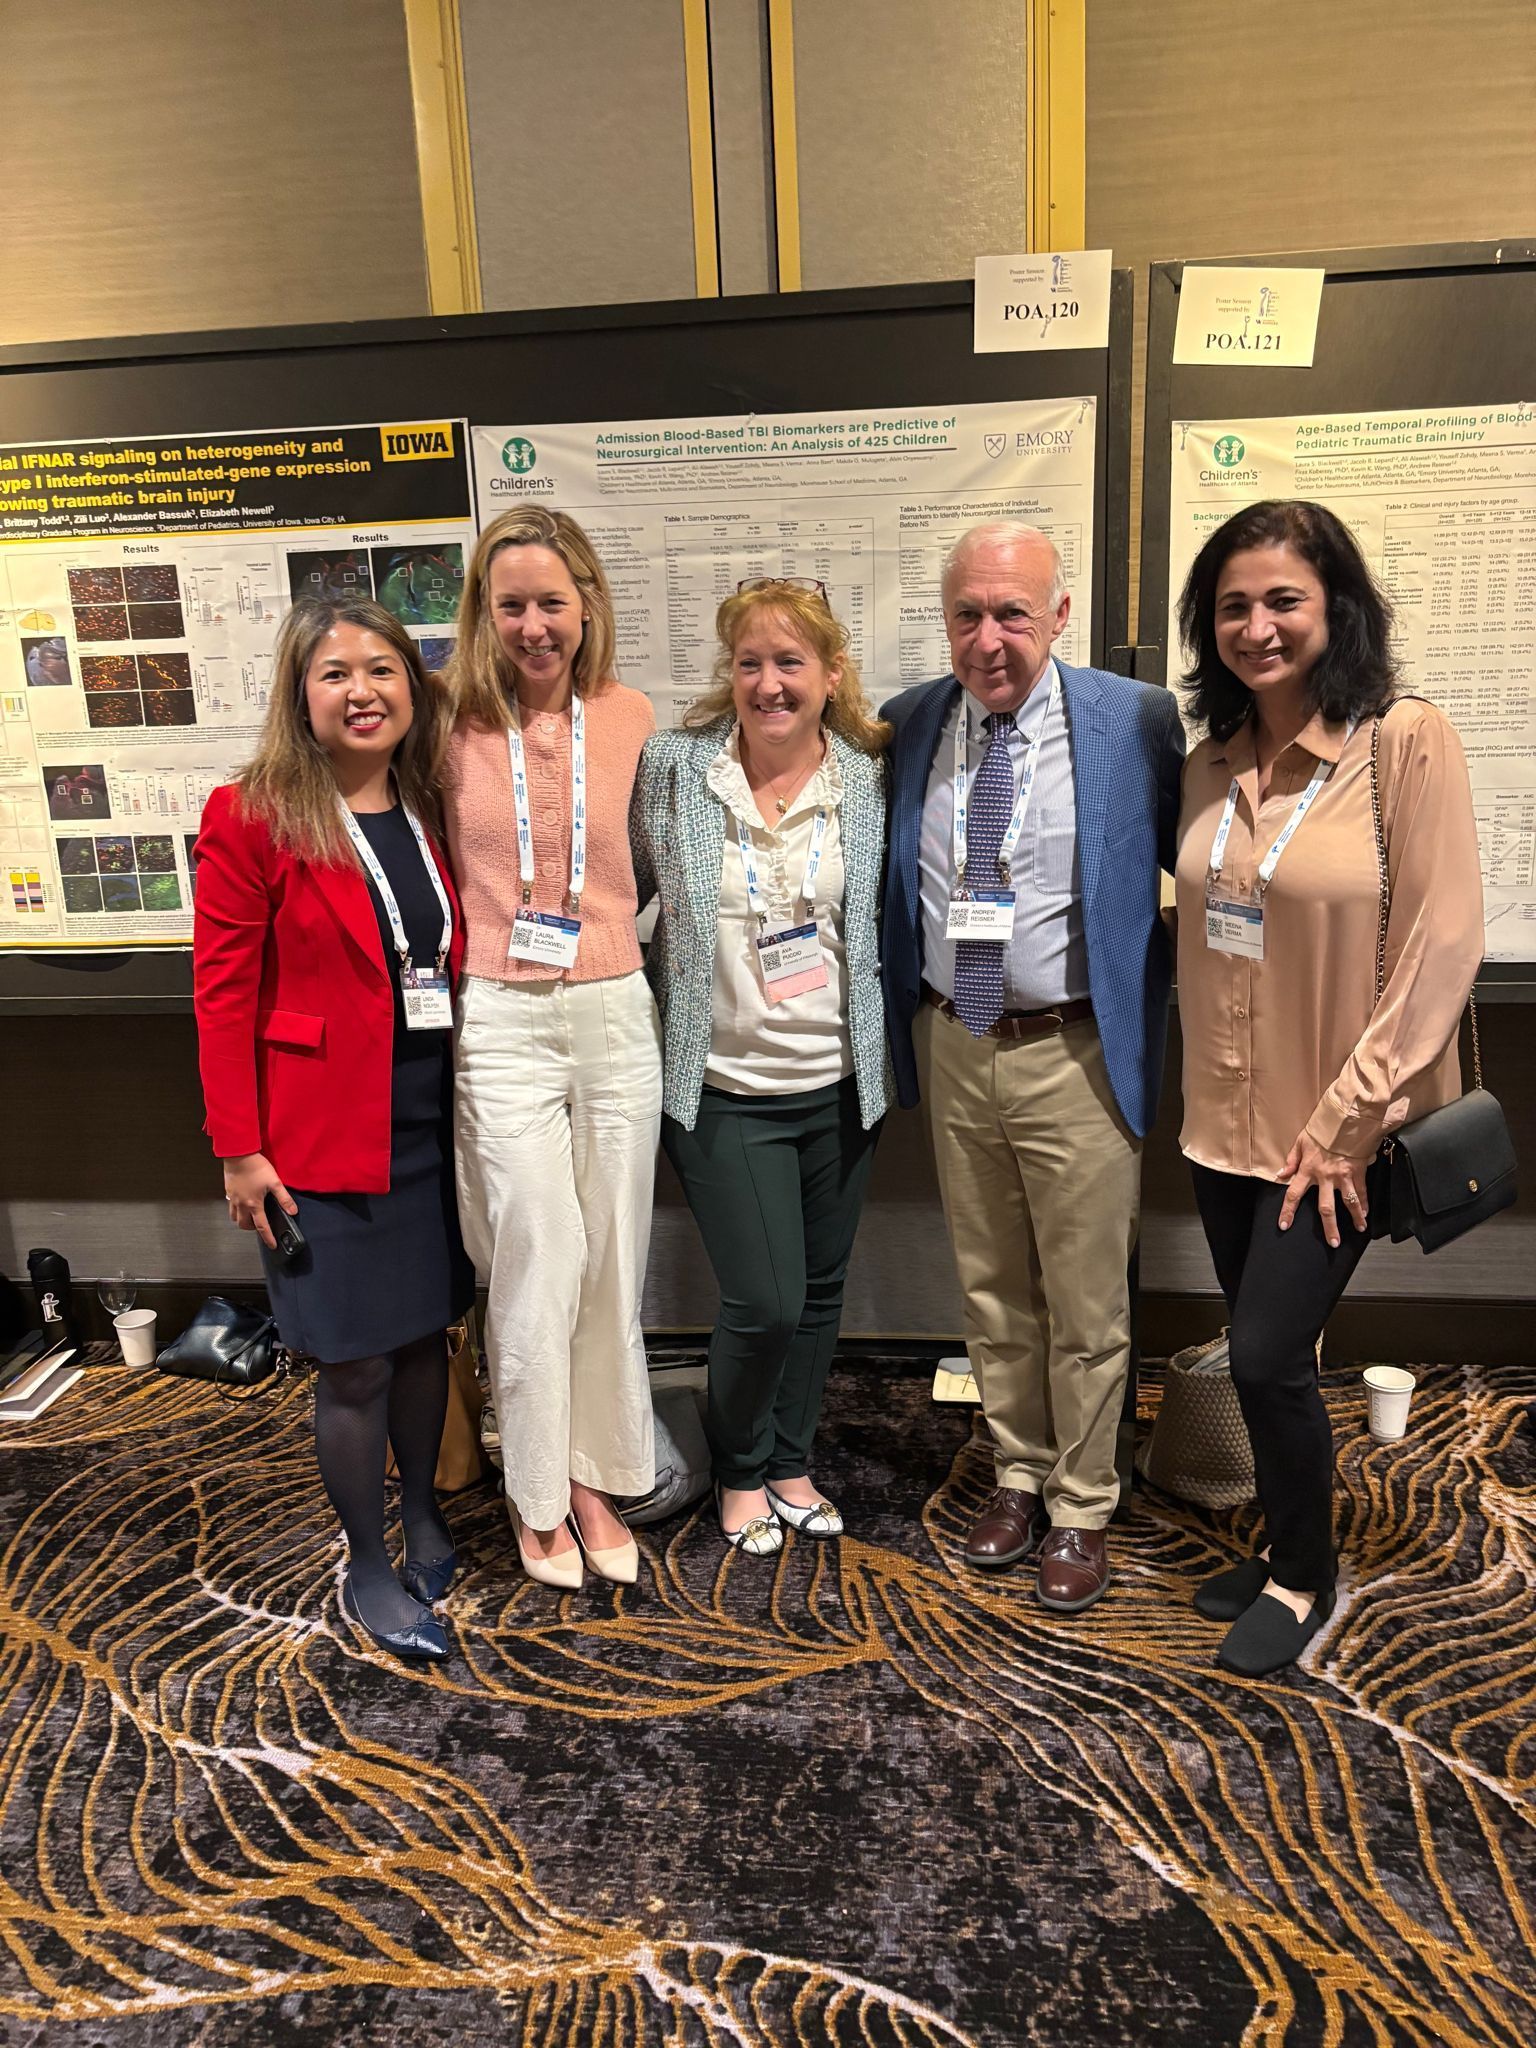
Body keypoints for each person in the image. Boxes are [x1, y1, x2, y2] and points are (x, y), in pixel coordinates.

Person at [1174, 499, 1483, 1677]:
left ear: (1334, 607)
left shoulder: (1403, 741)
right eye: (1234, 603)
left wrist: (1349, 1123)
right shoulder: (1208, 761)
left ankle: (1308, 1579)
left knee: (1262, 1352)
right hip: (1222, 1118)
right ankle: (1280, 1543)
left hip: (1332, 1133)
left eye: (1282, 599)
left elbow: (1443, 943)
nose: (1256, 624)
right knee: (1276, 1354)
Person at [881, 522, 1184, 1613]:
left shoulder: (1134, 720)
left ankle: (1085, 1500)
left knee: (1088, 1297)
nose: (989, 637)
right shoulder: (915, 720)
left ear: (1061, 614)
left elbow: (1199, 858)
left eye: (1013, 612)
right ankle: (1017, 1469)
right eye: (968, 613)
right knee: (992, 1285)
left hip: (1078, 1045)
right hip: (957, 1042)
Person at [193, 597, 472, 1662]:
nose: (362, 690)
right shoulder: (254, 811)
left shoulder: (430, 804)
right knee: (352, 1362)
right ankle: (366, 1558)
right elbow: (221, 993)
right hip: (315, 1137)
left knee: (422, 1339)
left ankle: (427, 1510)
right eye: (334, 673)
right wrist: (239, 1147)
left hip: (428, 1126)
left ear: (413, 684)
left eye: (383, 669)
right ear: (299, 696)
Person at [632, 578, 888, 1556]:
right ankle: (740, 1467)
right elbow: (624, 892)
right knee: (764, 1297)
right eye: (750, 662)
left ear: (830, 673)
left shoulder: (868, 772)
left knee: (820, 1290)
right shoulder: (675, 767)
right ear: (727, 672)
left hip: (840, 1082)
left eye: (791, 663)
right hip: (720, 1089)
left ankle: (789, 1457)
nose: (770, 683)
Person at [444, 505, 660, 1590]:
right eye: (512, 604)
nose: (535, 625)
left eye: (552, 604)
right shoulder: (446, 720)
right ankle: (532, 1491)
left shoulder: (630, 715)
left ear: (587, 608)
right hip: (503, 1010)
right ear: (485, 614)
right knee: (536, 1249)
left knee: (614, 1252)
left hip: (617, 1002)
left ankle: (591, 1472)